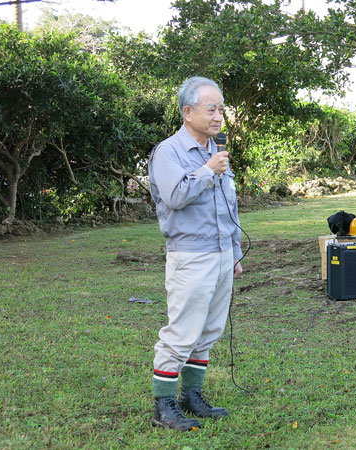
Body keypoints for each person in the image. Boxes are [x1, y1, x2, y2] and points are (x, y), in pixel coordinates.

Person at [147, 76, 243, 431]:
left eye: (221, 108)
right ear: (188, 112)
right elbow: (174, 196)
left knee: (209, 329)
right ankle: (164, 406)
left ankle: (191, 395)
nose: (219, 115)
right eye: (211, 108)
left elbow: (227, 204)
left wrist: (234, 252)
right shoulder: (168, 152)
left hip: (220, 253)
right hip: (190, 255)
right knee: (182, 333)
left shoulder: (212, 149)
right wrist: (207, 170)